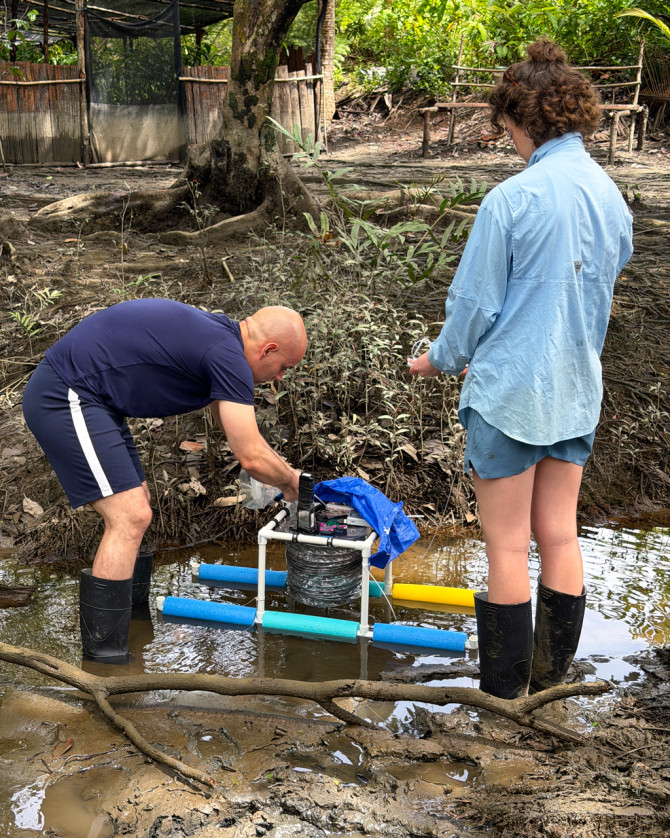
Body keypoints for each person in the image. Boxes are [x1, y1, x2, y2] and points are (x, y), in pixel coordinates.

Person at [408, 38, 633, 699]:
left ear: (519, 121)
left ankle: (504, 695)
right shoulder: (613, 200)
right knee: (559, 533)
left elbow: (475, 305)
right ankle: (551, 680)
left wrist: (437, 360)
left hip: (510, 393)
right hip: (575, 388)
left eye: (506, 128)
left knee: (506, 545)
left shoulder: (513, 199)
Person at [22, 298, 307, 662]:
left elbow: (238, 435)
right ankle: (105, 660)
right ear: (268, 348)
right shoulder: (226, 353)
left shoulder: (221, 339)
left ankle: (132, 624)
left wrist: (282, 474)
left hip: (97, 399)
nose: (280, 377)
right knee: (129, 516)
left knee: (139, 505)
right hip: (66, 392)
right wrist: (292, 481)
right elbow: (250, 455)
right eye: (283, 366)